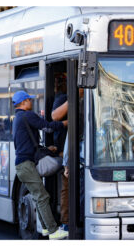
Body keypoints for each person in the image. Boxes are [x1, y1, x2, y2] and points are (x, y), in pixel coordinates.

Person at [12, 90, 68, 240]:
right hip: (26, 165)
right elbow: (48, 127)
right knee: (42, 197)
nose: (31, 102)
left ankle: (44, 228)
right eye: (29, 100)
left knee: (39, 197)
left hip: (22, 166)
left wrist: (45, 149)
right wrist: (66, 123)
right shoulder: (28, 115)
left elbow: (24, 144)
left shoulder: (17, 118)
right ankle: (53, 231)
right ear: (24, 103)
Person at [51, 88, 84, 232]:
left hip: (85, 153)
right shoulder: (67, 98)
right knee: (68, 187)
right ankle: (66, 223)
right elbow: (55, 117)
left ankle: (79, 220)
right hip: (68, 151)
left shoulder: (93, 99)